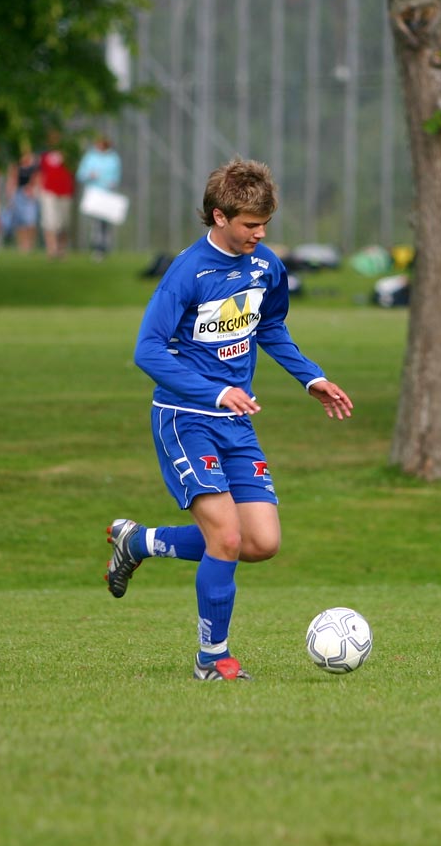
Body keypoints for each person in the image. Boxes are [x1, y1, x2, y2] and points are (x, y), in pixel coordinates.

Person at [102, 157, 353, 681]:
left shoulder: (266, 267)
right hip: (185, 418)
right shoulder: (187, 272)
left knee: (261, 542)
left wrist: (312, 378)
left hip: (234, 420)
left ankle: (141, 541)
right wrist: (216, 393)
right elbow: (148, 352)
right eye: (249, 226)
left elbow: (272, 327)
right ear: (218, 216)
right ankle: (211, 660)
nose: (258, 235)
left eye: (264, 225)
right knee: (227, 539)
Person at [76, 134, 122, 261]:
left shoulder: (113, 158)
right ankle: (97, 247)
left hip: (107, 194)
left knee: (104, 222)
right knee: (96, 223)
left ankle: (104, 246)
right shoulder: (90, 157)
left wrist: (112, 182)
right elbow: (80, 174)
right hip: (94, 193)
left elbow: (116, 175)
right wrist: (89, 175)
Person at [36, 131, 74, 260]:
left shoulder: (68, 156)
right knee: (50, 222)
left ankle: (62, 249)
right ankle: (51, 250)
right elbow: (40, 173)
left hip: (65, 192)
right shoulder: (44, 156)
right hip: (49, 192)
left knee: (63, 223)